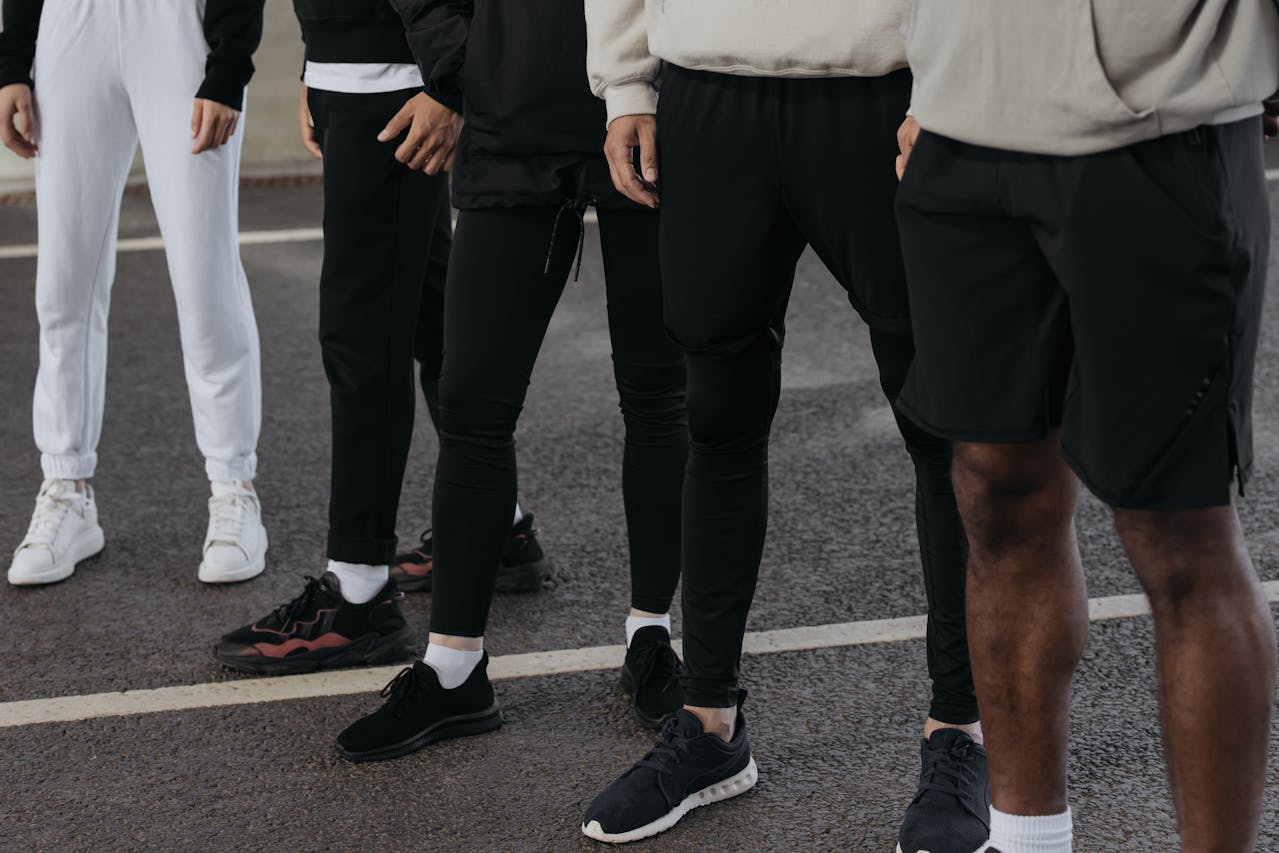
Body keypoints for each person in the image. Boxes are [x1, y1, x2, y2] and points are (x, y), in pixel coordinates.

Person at [579, 3, 987, 849]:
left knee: (945, 429)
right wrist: (626, 85)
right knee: (717, 418)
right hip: (707, 98)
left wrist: (956, 84)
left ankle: (962, 728)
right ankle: (709, 725)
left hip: (883, 93)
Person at [891, 3, 1279, 851]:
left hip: (1160, 125)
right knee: (995, 493)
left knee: (1178, 532)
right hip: (961, 128)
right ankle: (1027, 840)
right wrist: (931, 74)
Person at [324, 0, 689, 761]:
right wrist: (469, 72)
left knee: (657, 394)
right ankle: (453, 669)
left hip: (654, 107)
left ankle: (653, 635)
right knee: (472, 404)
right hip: (510, 114)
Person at [212, 0, 552, 676]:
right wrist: (318, 57)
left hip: (397, 79)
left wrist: (449, 84)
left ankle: (359, 592)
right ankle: (496, 525)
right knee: (428, 311)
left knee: (362, 335)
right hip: (359, 67)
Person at [0, 0, 268, 586]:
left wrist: (229, 64)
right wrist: (12, 62)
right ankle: (67, 486)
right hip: (71, 25)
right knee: (63, 283)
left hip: (177, 25)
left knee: (204, 274)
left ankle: (234, 484)